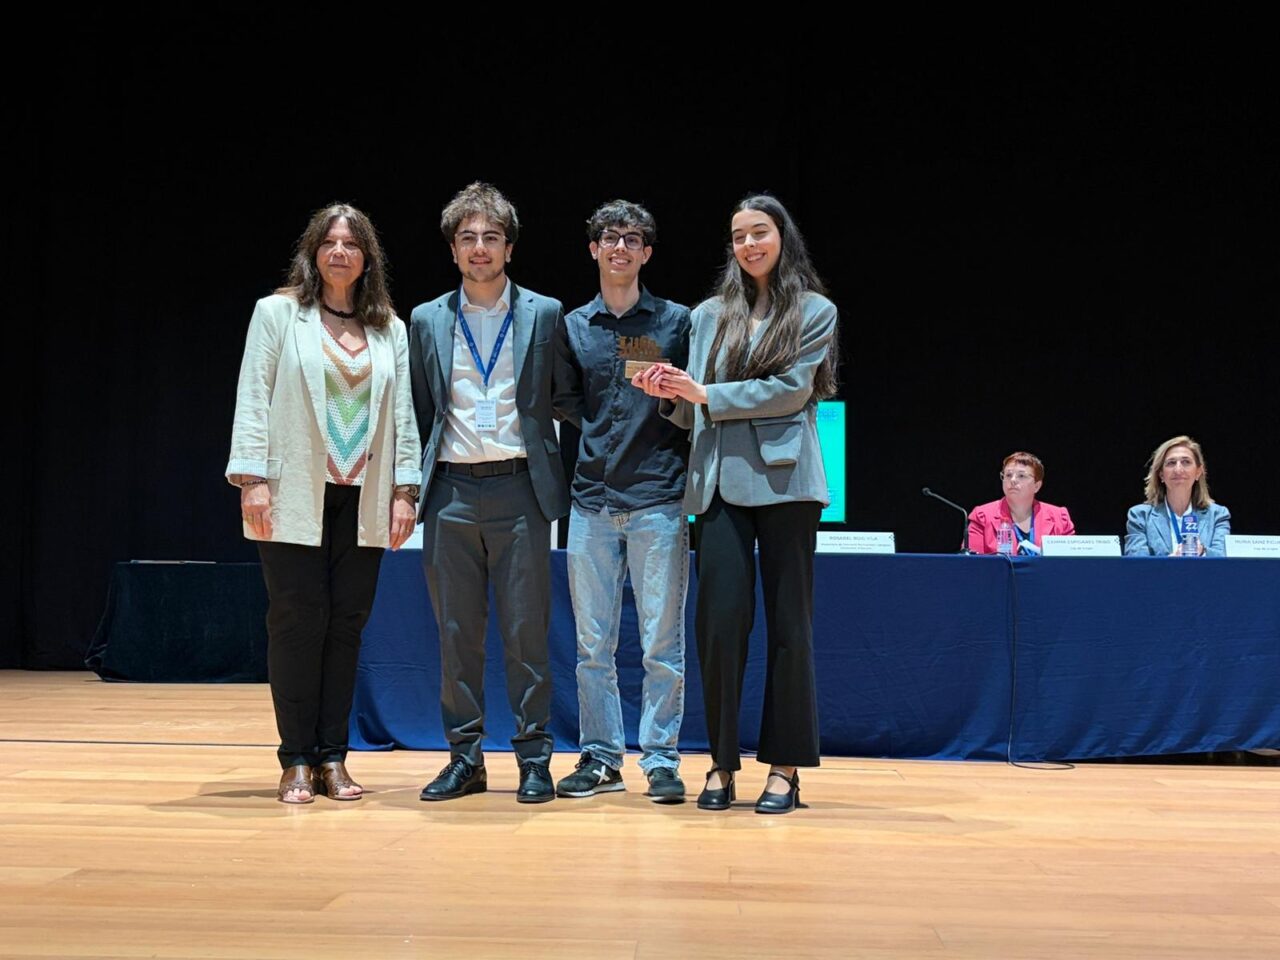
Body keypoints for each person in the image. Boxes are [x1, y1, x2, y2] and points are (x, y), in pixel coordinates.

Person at [636, 194, 838, 814]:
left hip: (786, 483)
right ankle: (720, 763)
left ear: (782, 237)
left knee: (789, 628)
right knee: (719, 627)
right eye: (739, 236)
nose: (750, 244)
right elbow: (695, 403)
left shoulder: (813, 310)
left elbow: (790, 391)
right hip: (717, 481)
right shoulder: (707, 315)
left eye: (761, 232)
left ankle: (785, 767)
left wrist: (705, 393)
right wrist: (667, 393)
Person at [227, 203, 421, 804]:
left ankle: (334, 757)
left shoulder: (390, 326)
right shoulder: (279, 314)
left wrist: (405, 489)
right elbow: (254, 396)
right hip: (290, 493)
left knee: (346, 626)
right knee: (296, 621)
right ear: (314, 252)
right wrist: (251, 478)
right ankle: (295, 759)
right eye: (330, 242)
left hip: (363, 496)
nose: (340, 252)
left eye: (352, 244)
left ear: (368, 258)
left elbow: (405, 414)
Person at [407, 183, 570, 803]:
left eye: (491, 237)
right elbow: (419, 415)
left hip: (521, 490)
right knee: (456, 635)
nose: (480, 248)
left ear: (509, 246)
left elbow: (566, 395)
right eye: (468, 238)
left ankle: (534, 758)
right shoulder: (425, 319)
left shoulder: (546, 313)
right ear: (453, 250)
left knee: (528, 636)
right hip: (449, 492)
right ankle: (465, 758)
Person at [554, 200, 692, 804]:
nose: (619, 248)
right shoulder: (572, 325)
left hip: (658, 499)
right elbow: (564, 402)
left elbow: (693, 407)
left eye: (632, 239)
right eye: (609, 238)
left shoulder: (676, 322)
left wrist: (668, 399)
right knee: (592, 646)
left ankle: (661, 759)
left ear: (647, 253)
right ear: (593, 249)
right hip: (589, 501)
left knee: (662, 642)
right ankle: (601, 756)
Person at [1124, 435, 1231, 556]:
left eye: (1186, 462)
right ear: (1161, 475)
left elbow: (1222, 558)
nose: (1178, 469)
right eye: (1171, 463)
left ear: (1198, 472)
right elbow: (1136, 564)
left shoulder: (1217, 515)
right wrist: (1171, 561)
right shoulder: (1140, 516)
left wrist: (1202, 551)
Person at [968, 452, 1075, 555]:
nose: (1013, 480)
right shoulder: (982, 516)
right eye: (1008, 475)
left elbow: (1071, 563)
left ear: (1037, 486)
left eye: (1021, 476)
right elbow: (973, 565)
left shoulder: (1060, 518)